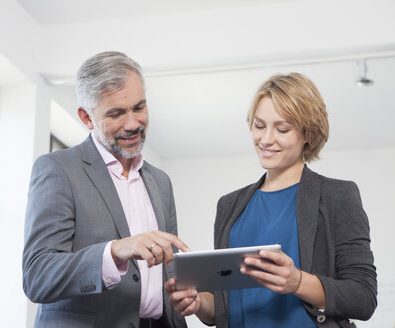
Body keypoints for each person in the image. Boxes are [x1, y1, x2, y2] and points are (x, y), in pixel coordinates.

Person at [165, 73, 377, 327]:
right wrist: (198, 303)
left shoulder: (336, 196)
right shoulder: (229, 206)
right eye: (259, 125)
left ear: (308, 133)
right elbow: (222, 308)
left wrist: (297, 282)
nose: (266, 139)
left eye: (282, 128)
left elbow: (363, 297)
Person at [22, 51, 189, 328]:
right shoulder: (57, 169)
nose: (133, 124)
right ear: (86, 117)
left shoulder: (160, 182)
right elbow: (38, 275)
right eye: (116, 113)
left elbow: (167, 271)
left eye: (139, 107)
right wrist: (113, 251)